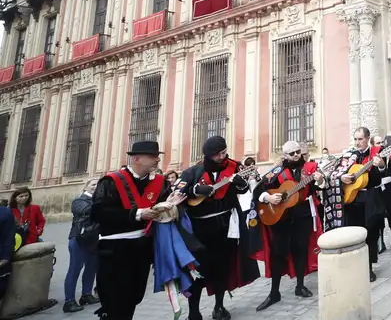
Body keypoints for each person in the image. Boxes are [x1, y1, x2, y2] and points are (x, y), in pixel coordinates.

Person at [92, 140, 185, 320]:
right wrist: (137, 214)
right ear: (136, 159)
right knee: (115, 300)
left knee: (133, 297)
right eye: (152, 156)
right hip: (115, 250)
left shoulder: (160, 182)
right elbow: (98, 213)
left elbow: (162, 209)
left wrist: (170, 205)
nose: (157, 159)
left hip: (142, 249)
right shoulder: (111, 181)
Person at [178, 136, 259, 320]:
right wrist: (196, 191)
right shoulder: (194, 172)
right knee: (198, 271)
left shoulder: (234, 166)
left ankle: (219, 307)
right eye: (218, 154)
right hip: (200, 229)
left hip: (226, 226)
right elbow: (177, 191)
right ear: (208, 155)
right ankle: (193, 312)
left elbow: (243, 189)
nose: (223, 156)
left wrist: (241, 184)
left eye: (224, 152)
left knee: (223, 268)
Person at [253, 141, 325, 311]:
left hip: (303, 215)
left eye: (297, 152)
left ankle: (300, 286)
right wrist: (268, 198)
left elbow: (320, 185)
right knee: (278, 253)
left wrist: (320, 180)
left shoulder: (310, 167)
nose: (295, 155)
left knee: (300, 250)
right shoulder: (277, 171)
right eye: (291, 153)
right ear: (284, 155)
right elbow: (258, 190)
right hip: (281, 218)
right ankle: (274, 292)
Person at [339, 127, 387, 282]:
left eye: (360, 139)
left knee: (370, 234)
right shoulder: (349, 155)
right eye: (355, 139)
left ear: (367, 138)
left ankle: (369, 268)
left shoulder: (376, 153)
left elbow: (383, 174)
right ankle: (354, 266)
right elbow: (338, 172)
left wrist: (380, 165)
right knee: (353, 234)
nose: (357, 142)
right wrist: (342, 177)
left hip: (370, 199)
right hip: (352, 200)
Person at [63, 179, 101, 313]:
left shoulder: (98, 201)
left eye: (98, 185)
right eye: (93, 184)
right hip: (79, 239)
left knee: (91, 268)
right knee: (75, 269)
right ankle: (69, 301)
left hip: (93, 240)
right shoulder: (79, 201)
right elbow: (87, 210)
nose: (95, 187)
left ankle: (87, 294)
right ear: (86, 187)